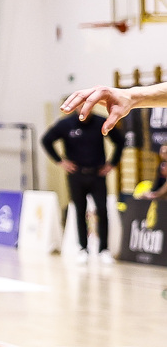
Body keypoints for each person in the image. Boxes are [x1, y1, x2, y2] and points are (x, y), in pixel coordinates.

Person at [42, 109, 124, 262]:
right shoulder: (66, 124)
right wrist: (60, 161)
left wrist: (112, 163)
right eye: (81, 106)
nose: (84, 109)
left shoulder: (101, 122)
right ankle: (83, 248)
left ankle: (104, 250)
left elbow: (120, 141)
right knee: (79, 210)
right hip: (76, 175)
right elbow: (46, 140)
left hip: (97, 174)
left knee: (102, 209)